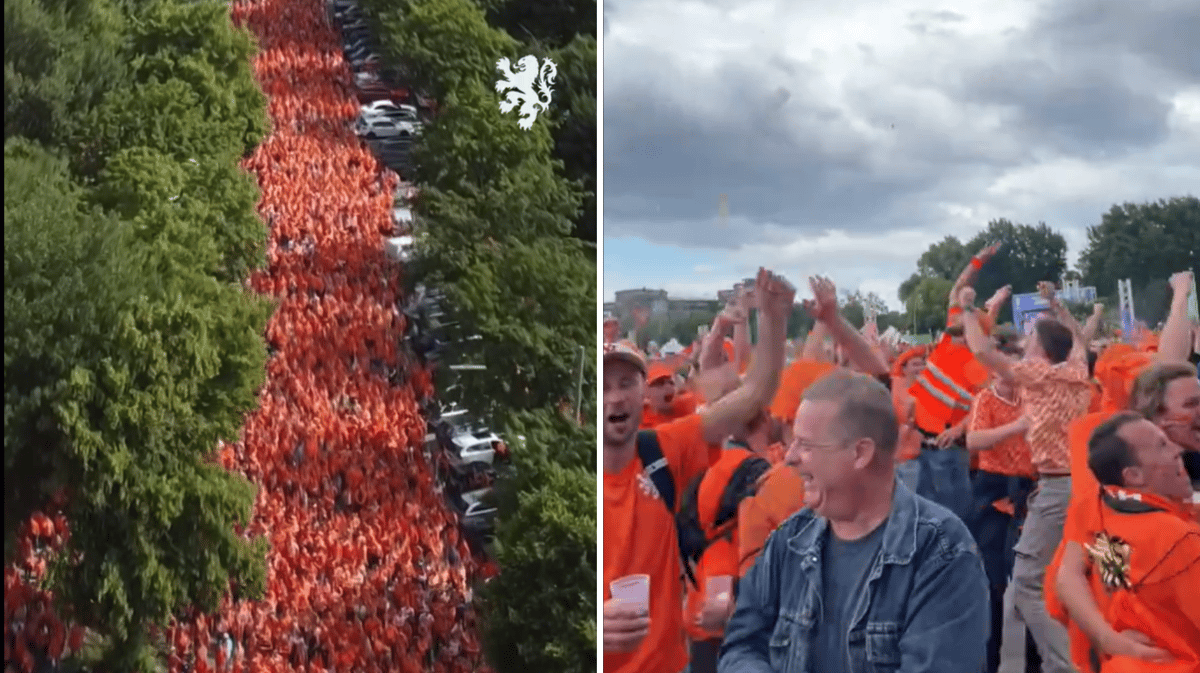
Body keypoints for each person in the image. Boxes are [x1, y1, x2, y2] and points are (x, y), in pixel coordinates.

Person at [719, 370, 990, 673]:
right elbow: (742, 645)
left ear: (860, 453)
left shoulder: (941, 551)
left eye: (807, 445)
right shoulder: (790, 539)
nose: (790, 457)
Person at [602, 268, 793, 673]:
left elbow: (754, 393)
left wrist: (774, 321)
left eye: (625, 383)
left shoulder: (663, 449)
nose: (614, 398)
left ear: (641, 396)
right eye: (602, 386)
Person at [961, 280, 1095, 673]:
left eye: (1030, 336)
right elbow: (1078, 337)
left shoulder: (1037, 375)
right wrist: (1056, 303)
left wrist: (968, 308)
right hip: (1080, 483)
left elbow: (981, 350)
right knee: (1065, 576)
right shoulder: (1078, 370)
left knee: (1028, 582)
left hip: (1056, 485)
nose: (1024, 340)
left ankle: (1062, 664)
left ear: (1040, 348)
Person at [1058, 411, 1200, 672]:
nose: (1177, 449)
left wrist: (1107, 638)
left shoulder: (1100, 508)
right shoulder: (1180, 540)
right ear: (1133, 476)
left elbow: (1074, 577)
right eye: (1162, 445)